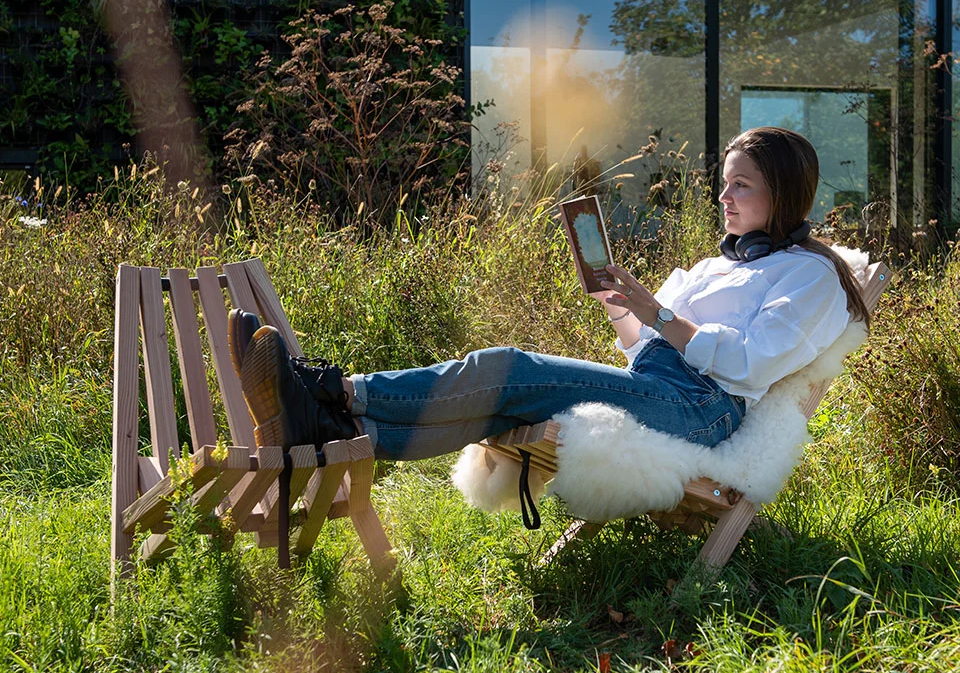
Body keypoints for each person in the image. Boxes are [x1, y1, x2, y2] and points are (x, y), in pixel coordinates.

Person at [229, 127, 869, 463]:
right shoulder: (711, 266)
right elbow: (646, 347)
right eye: (724, 185)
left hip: (706, 411)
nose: (724, 199)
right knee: (497, 408)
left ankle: (333, 393)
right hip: (661, 385)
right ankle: (328, 432)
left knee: (506, 367)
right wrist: (624, 311)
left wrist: (658, 311)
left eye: (742, 187)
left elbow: (752, 365)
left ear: (784, 194)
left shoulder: (809, 276)